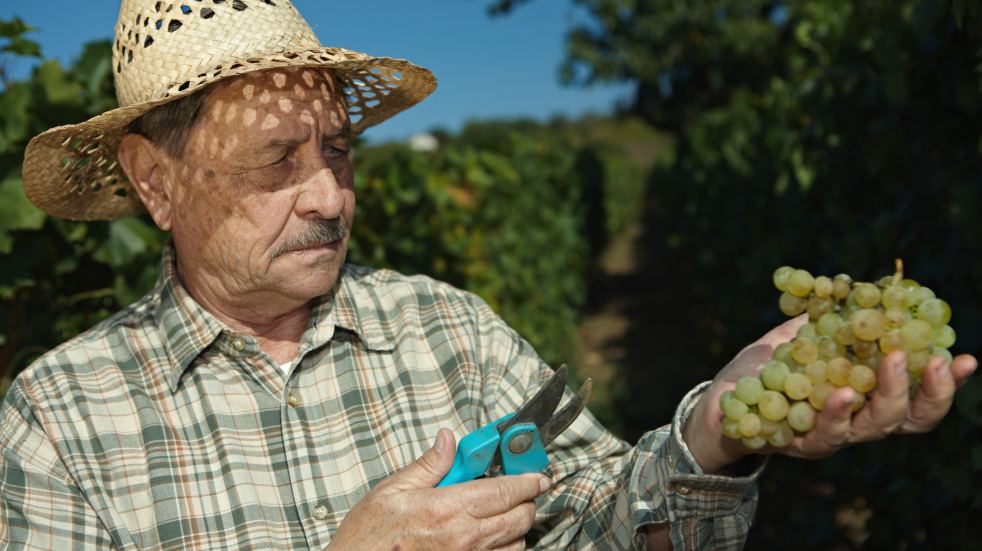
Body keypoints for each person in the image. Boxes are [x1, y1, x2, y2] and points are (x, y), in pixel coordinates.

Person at [4, 1, 976, 549]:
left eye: (339, 152)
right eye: (275, 162)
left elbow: (594, 521)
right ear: (154, 182)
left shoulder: (447, 328)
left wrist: (712, 434)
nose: (331, 198)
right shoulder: (60, 424)